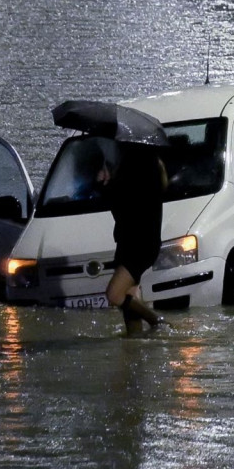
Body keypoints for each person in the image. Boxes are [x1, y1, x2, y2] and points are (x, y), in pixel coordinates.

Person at [100, 142, 168, 333]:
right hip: (131, 242)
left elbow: (127, 207)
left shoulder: (139, 171)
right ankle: (134, 346)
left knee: (114, 294)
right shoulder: (150, 167)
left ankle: (158, 321)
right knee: (130, 297)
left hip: (139, 245)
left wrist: (106, 183)